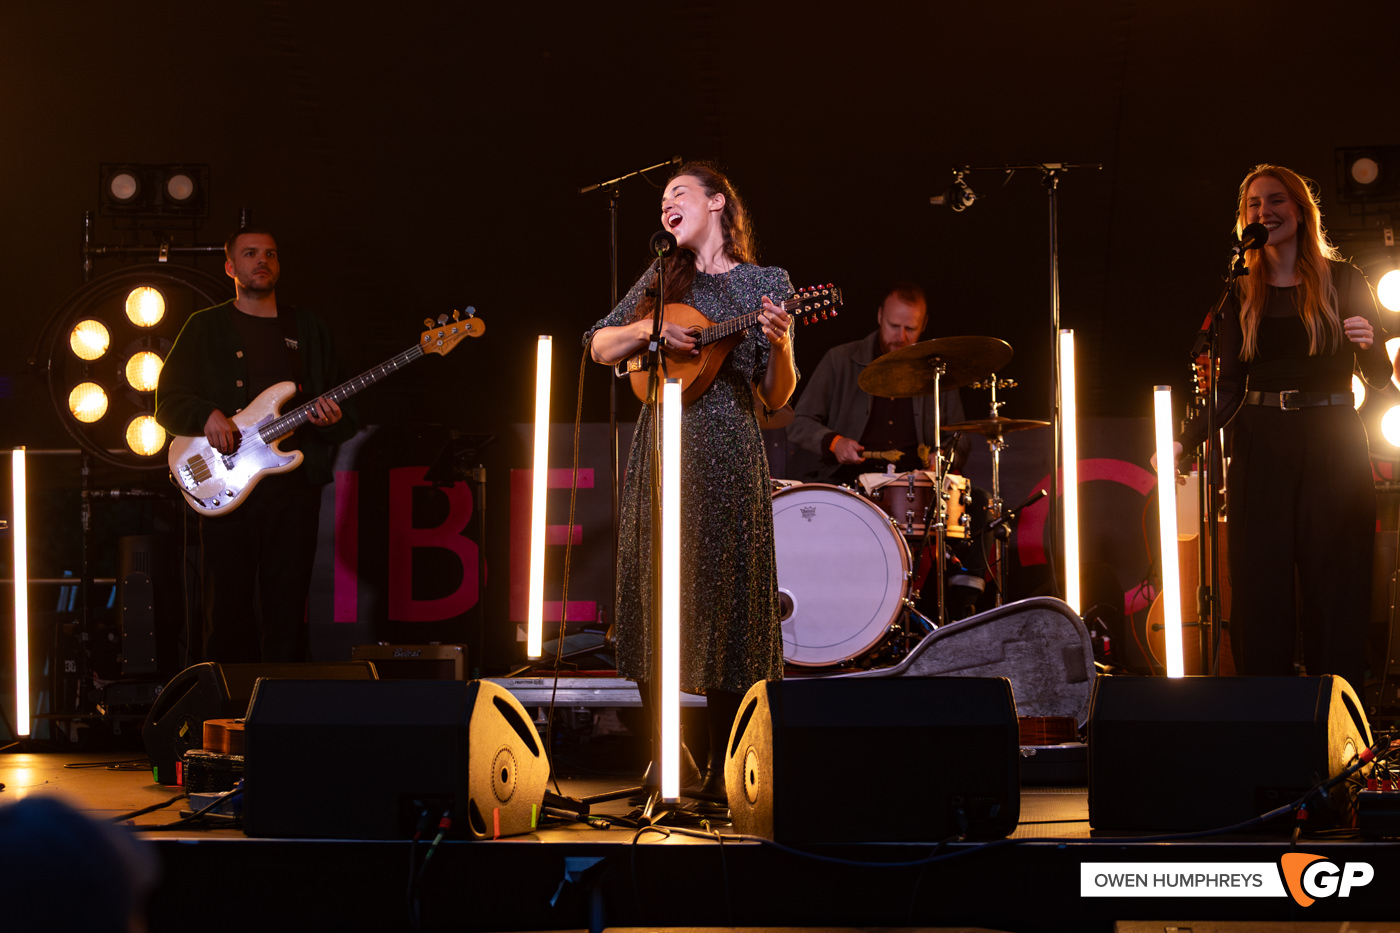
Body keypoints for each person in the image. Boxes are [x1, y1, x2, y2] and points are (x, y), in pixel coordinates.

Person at [585, 162, 796, 803]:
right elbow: (598, 345)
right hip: (662, 446)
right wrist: (651, 329)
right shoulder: (661, 277)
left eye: (679, 194)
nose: (666, 208)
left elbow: (777, 398)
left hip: (730, 448)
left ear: (717, 203)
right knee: (654, 593)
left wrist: (781, 344)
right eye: (663, 201)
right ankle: (667, 756)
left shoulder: (767, 283)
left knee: (728, 603)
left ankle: (722, 770)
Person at [1172, 164, 1389, 695]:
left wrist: (1370, 344)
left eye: (1276, 201)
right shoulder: (1240, 289)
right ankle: (1263, 720)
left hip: (1333, 439)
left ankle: (1340, 722)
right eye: (1253, 204)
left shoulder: (1343, 280)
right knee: (1259, 583)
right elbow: (1226, 392)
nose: (1264, 212)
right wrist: (1183, 439)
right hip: (1261, 443)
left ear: (1300, 211)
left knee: (1336, 582)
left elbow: (1381, 380)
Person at [156, 227, 357, 663]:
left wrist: (332, 420)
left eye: (270, 254)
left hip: (294, 488)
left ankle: (279, 712)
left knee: (287, 609)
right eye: (250, 254)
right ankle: (221, 713)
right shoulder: (204, 326)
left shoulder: (306, 327)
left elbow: (343, 411)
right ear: (230, 267)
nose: (261, 260)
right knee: (225, 609)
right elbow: (166, 403)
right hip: (227, 485)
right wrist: (204, 415)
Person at [788, 282, 970, 484]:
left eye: (910, 328)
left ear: (924, 324)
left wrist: (943, 456)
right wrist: (835, 443)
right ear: (880, 316)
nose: (900, 337)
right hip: (849, 482)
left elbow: (960, 436)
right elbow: (799, 422)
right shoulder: (839, 360)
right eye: (893, 326)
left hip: (915, 485)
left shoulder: (937, 370)